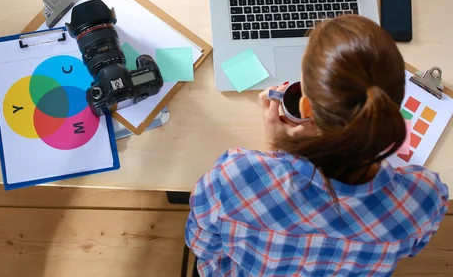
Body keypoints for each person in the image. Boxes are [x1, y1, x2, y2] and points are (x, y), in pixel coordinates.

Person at [185, 15, 448, 277]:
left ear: (306, 107)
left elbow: (202, 245)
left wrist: (276, 151)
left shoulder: (234, 177)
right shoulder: (424, 198)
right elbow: (413, 245)